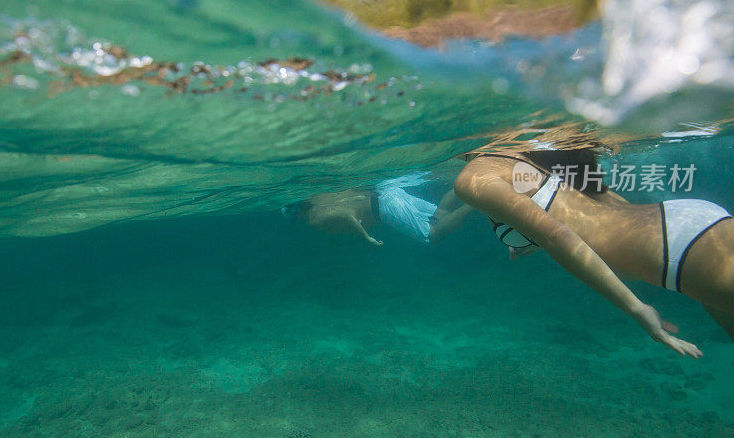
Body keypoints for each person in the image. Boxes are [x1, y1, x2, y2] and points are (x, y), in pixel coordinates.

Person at [454, 146, 734, 357]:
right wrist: (532, 242)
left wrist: (638, 310)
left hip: (677, 249)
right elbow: (577, 214)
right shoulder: (526, 153)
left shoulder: (472, 177)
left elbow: (559, 235)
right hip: (682, 223)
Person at [285, 172, 474, 246]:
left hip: (384, 207)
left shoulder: (314, 218)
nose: (299, 218)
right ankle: (475, 182)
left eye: (296, 215)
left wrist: (366, 237)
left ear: (299, 209)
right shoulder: (321, 197)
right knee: (438, 215)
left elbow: (346, 215)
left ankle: (479, 202)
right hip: (386, 193)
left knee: (433, 234)